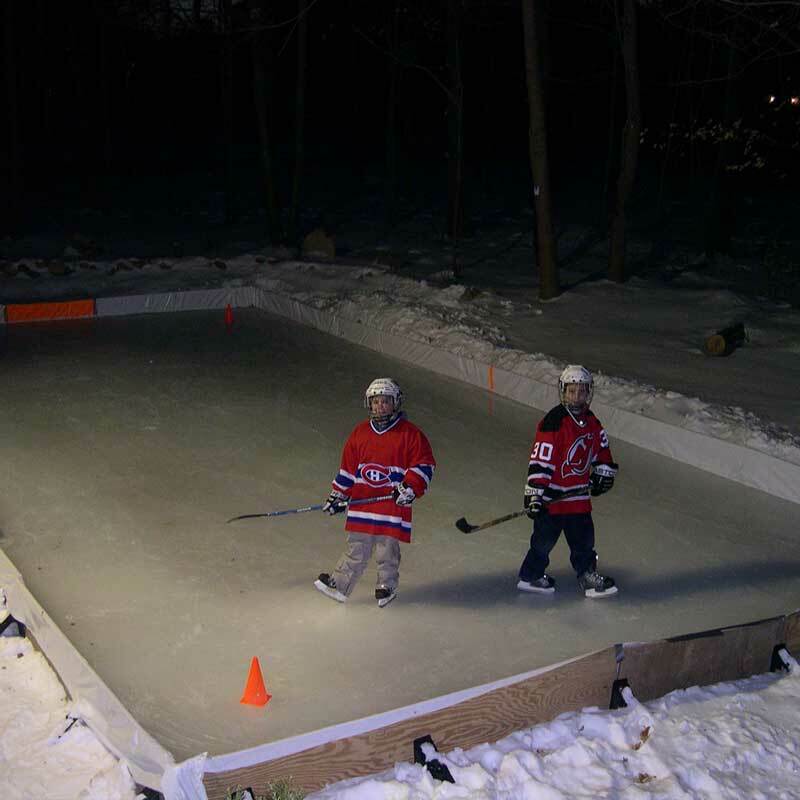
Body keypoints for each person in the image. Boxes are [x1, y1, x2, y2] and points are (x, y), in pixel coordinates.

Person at [315, 378, 436, 607]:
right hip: (363, 503)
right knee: (356, 547)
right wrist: (338, 495)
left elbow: (424, 465)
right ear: (368, 404)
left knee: (386, 550)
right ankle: (340, 585)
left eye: (385, 401)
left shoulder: (410, 435)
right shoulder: (360, 433)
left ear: (395, 403)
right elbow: (348, 469)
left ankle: (386, 586)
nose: (380, 406)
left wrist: (410, 486)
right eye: (376, 401)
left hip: (392, 506)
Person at [517, 365, 619, 598]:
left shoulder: (592, 422)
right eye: (572, 391)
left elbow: (601, 451)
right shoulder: (554, 422)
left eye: (581, 391)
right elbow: (540, 460)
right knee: (542, 543)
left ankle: (587, 576)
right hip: (552, 499)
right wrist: (534, 494)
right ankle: (530, 575)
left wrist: (604, 473)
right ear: (563, 392)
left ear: (588, 393)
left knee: (584, 541)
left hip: (579, 498)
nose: (576, 396)